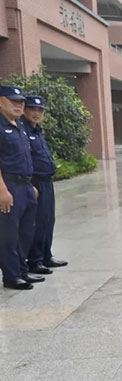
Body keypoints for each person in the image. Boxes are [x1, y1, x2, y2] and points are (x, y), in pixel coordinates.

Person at [0, 86, 43, 290]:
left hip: (25, 186)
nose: (18, 105)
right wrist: (2, 190)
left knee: (26, 231)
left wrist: (31, 185)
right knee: (9, 233)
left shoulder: (20, 126)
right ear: (1, 101)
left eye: (20, 102)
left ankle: (22, 270)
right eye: (13, 101)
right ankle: (11, 275)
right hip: (8, 186)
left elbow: (25, 158)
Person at [22, 95, 68, 274]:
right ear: (25, 110)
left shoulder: (37, 131)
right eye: (32, 109)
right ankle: (35, 260)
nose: (36, 113)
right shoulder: (22, 130)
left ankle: (46, 255)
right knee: (38, 222)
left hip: (47, 182)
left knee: (48, 220)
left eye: (40, 110)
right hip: (35, 182)